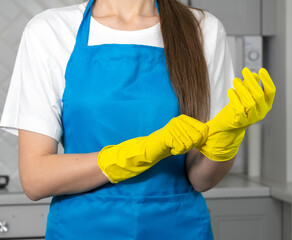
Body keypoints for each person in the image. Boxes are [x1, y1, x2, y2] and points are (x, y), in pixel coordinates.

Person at [0, 0, 276, 239]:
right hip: (82, 230)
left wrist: (226, 141)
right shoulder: (51, 30)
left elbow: (200, 179)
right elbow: (36, 179)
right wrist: (138, 152)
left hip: (179, 229)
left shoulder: (201, 29)